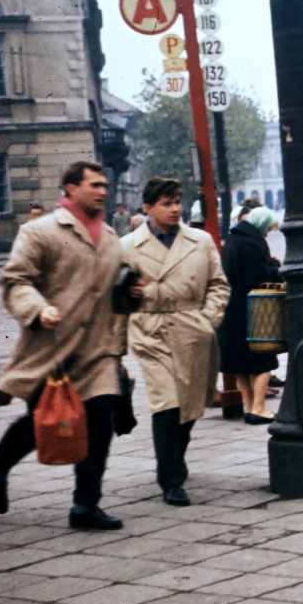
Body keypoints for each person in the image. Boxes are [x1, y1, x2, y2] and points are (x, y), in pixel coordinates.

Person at [0, 161, 134, 531]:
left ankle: (85, 505)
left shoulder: (111, 238)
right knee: (42, 421)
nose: (102, 191)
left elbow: (119, 296)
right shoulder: (40, 232)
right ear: (69, 188)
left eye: (104, 185)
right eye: (94, 185)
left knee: (100, 422)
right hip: (53, 348)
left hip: (98, 351)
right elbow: (16, 281)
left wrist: (132, 294)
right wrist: (37, 308)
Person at [122, 177, 230, 506]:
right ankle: (171, 479)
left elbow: (218, 285)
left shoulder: (200, 241)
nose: (174, 209)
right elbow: (116, 293)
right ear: (148, 208)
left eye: (177, 202)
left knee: (190, 406)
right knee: (166, 403)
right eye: (166, 203)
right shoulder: (127, 246)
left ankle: (173, 459)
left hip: (193, 330)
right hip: (151, 331)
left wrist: (208, 318)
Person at [220, 205, 281, 425]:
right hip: (253, 310)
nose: (266, 234)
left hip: (231, 310)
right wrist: (275, 270)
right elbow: (259, 277)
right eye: (267, 229)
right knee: (263, 361)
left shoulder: (232, 240)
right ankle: (259, 408)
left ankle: (248, 407)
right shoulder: (253, 243)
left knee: (240, 366)